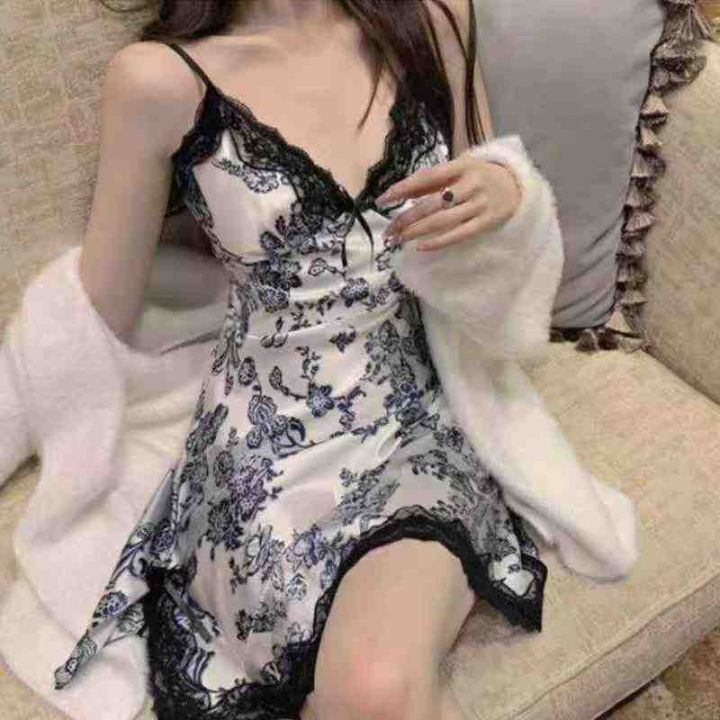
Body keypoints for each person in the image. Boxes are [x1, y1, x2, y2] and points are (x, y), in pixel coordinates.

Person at [53, 1, 547, 718]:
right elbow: (96, 318)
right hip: (262, 451)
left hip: (417, 421)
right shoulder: (158, 82)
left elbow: (488, 244)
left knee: (373, 687)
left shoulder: (435, 19)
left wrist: (509, 189)